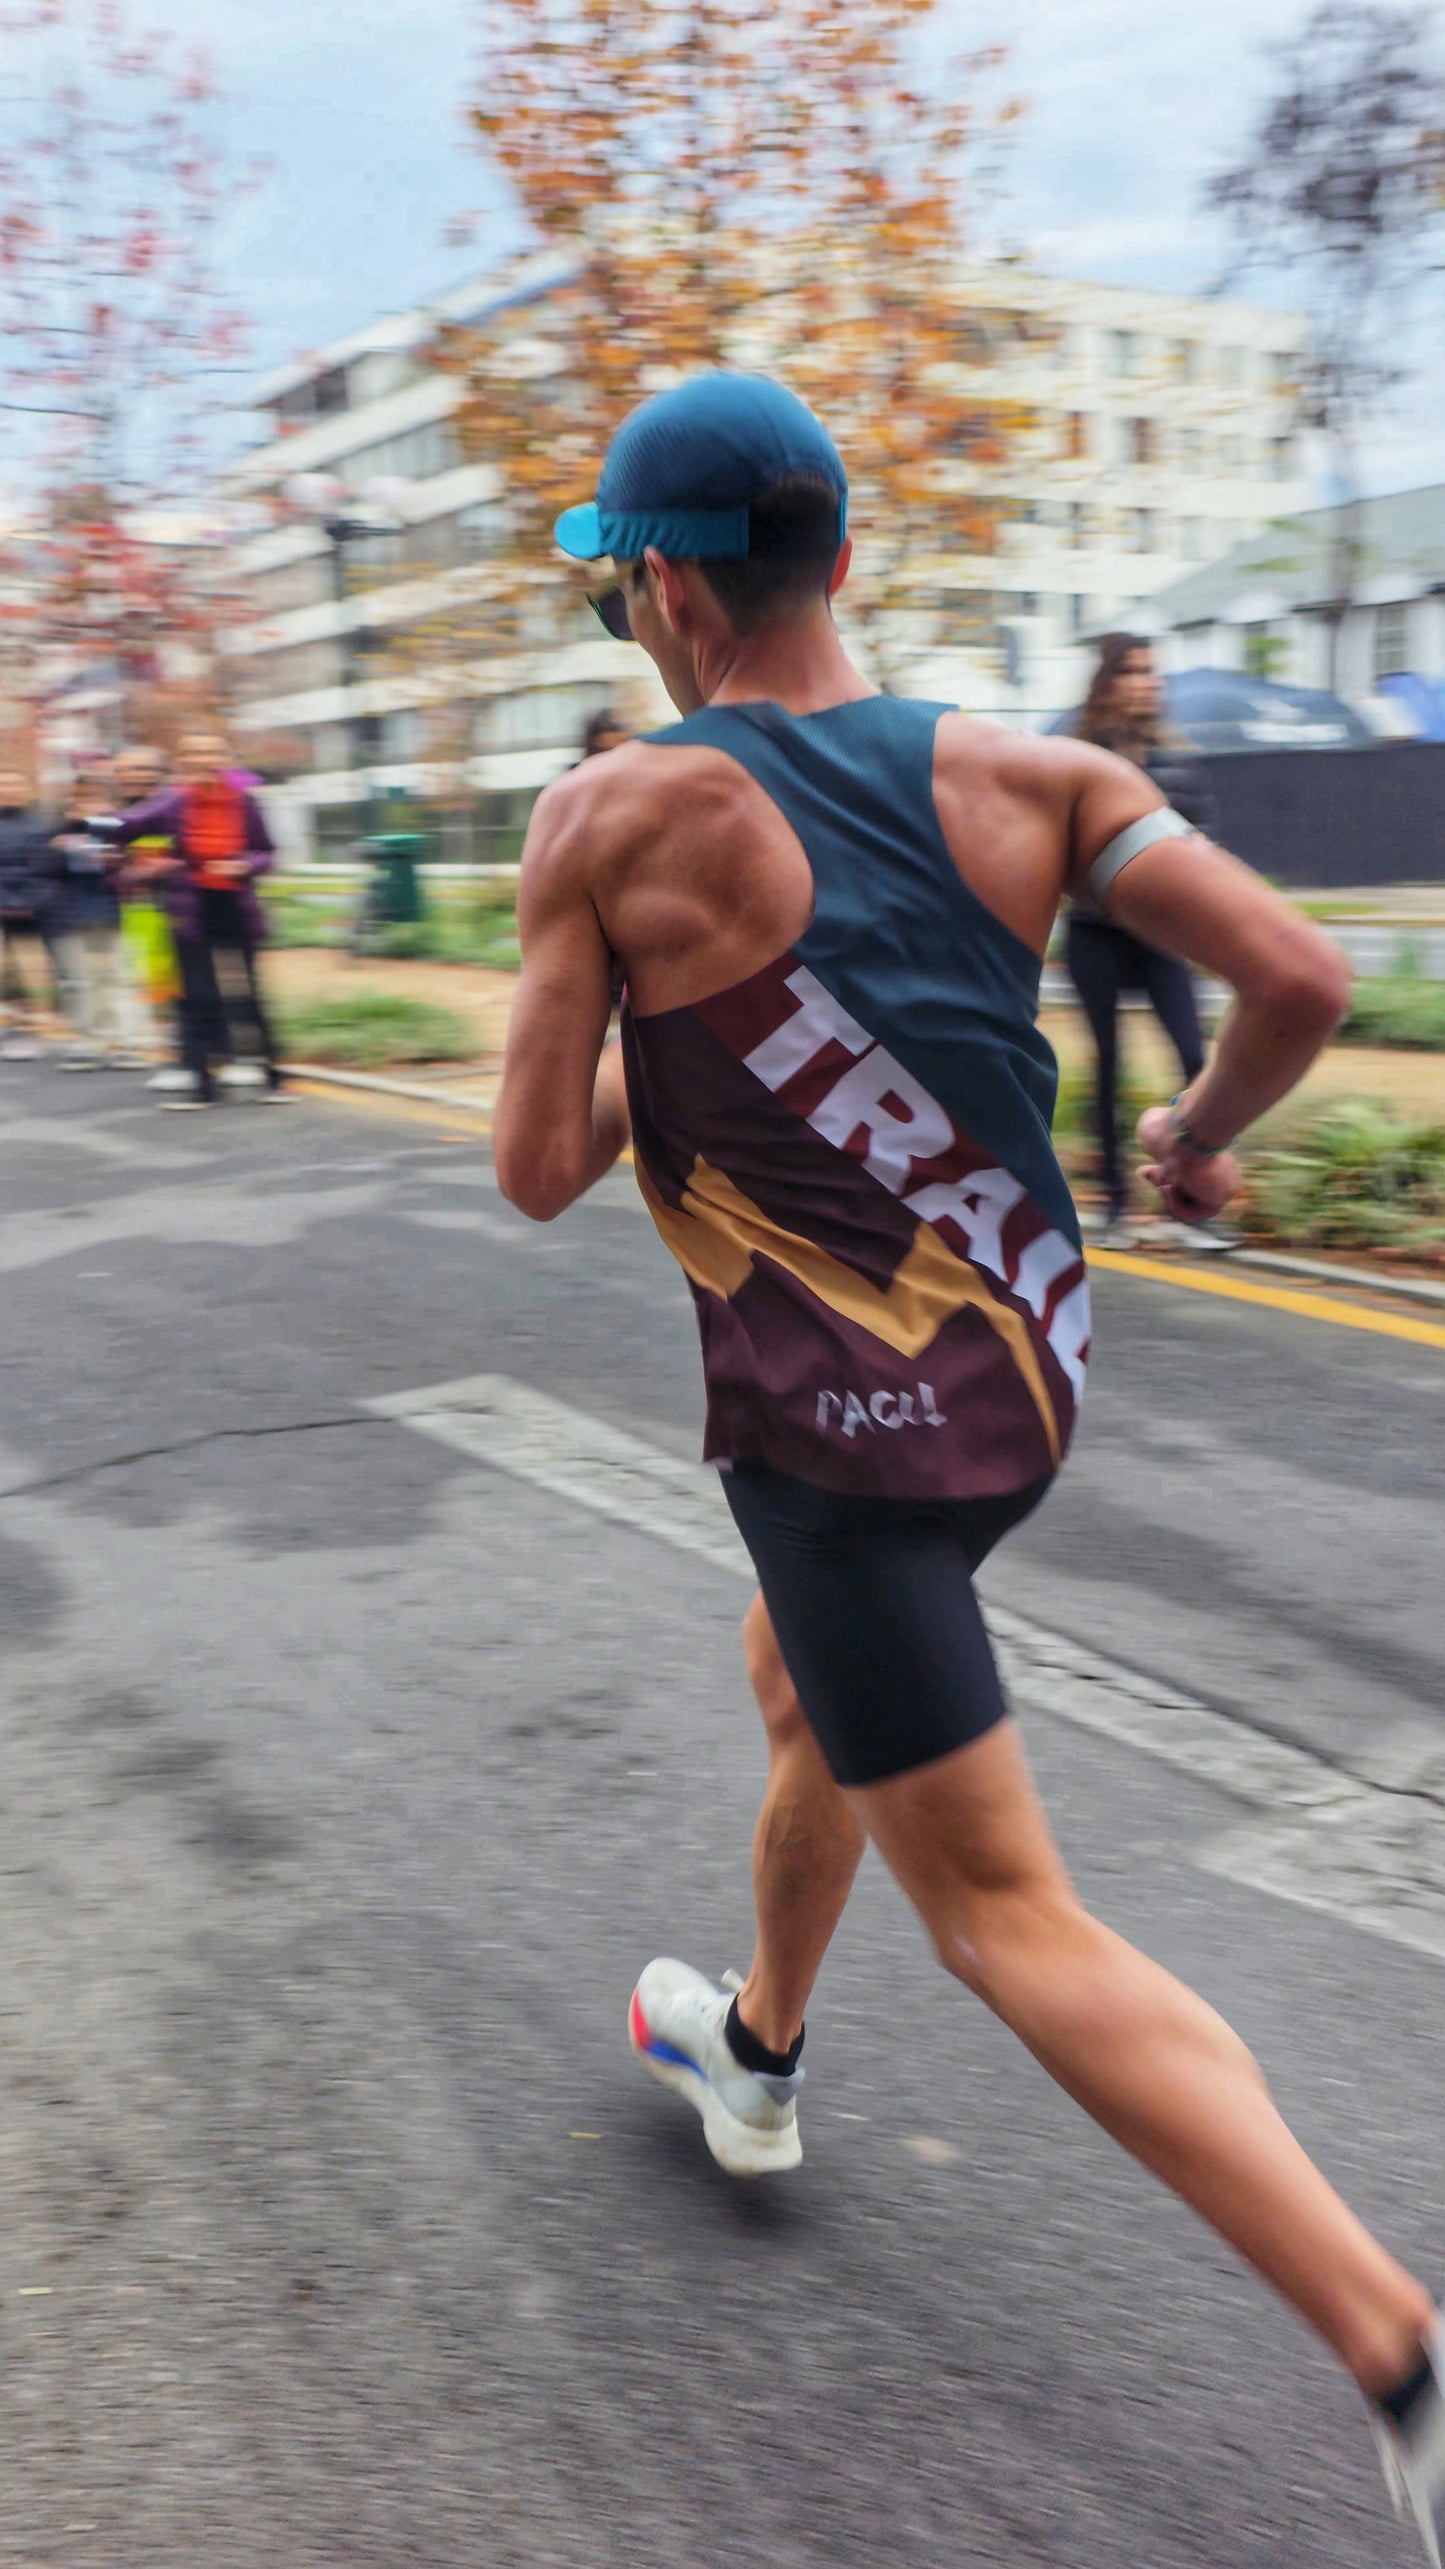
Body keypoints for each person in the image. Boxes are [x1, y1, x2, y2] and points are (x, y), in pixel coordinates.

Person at [491, 372, 1443, 2559]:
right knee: (793, 1684)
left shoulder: (615, 816)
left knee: (1007, 1915)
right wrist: (1190, 1136)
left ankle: (1394, 2355)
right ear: (838, 557)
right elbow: (1293, 974)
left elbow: (543, 1164)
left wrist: (665, 1017)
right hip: (1023, 1389)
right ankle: (753, 2043)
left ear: (659, 580)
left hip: (843, 1442)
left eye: (619, 585)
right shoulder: (1040, 769)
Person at [1065, 634, 1218, 1248]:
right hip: (1095, 936)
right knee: (1109, 1067)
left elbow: (1202, 848)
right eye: (1133, 671)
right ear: (1107, 683)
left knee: (1194, 1060)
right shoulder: (1077, 759)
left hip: (1158, 938)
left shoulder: (1178, 761)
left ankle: (1199, 1202)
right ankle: (1115, 1206)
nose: (1147, 682)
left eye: (1152, 671)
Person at [118, 730, 282, 1108]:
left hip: (236, 906)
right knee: (196, 996)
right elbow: (120, 829)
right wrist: (138, 865)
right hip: (191, 910)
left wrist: (246, 864)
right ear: (183, 759)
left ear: (225, 756)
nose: (203, 758)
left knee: (249, 995)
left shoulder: (244, 802)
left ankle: (273, 1077)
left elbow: (266, 851)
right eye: (193, 752)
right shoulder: (170, 803)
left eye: (211, 751)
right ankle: (200, 1083)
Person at [48, 771, 149, 1070]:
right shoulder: (62, 830)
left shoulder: (121, 827)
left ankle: (126, 1042)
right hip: (74, 913)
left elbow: (129, 863)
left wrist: (101, 834)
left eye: (96, 795)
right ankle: (89, 1041)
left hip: (117, 912)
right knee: (79, 982)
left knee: (120, 978)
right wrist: (70, 833)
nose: (89, 803)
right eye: (82, 796)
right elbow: (49, 867)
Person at [0, 766, 62, 1060]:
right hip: (6, 909)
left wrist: (25, 901)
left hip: (32, 912)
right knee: (8, 974)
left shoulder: (42, 825)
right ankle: (18, 1026)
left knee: (36, 973)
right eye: (3, 785)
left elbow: (46, 870)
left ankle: (38, 1027)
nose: (8, 790)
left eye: (14, 784)